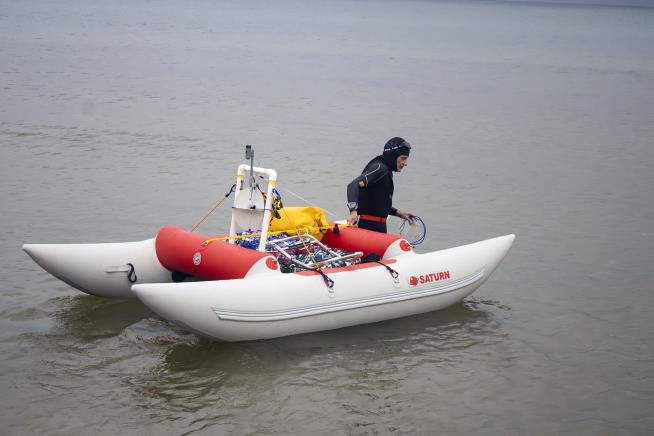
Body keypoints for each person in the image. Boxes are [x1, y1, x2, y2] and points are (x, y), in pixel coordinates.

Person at [346, 137, 416, 233]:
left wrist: (399, 213)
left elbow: (377, 203)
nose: (405, 163)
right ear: (393, 156)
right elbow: (353, 186)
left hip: (376, 228)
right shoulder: (380, 168)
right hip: (368, 228)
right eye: (403, 158)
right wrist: (353, 211)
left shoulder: (386, 170)